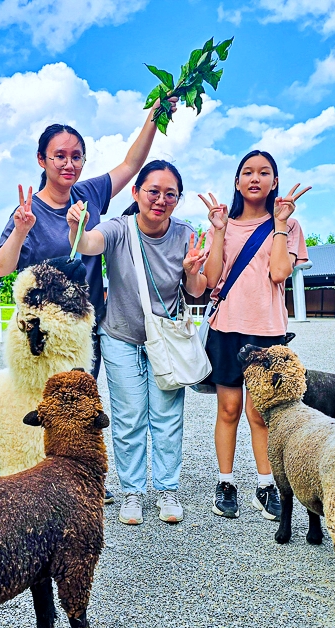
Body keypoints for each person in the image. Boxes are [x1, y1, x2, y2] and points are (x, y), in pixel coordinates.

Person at [67, 161, 209, 526]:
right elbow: (89, 243)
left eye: (170, 194)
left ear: (177, 199)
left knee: (167, 415)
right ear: (136, 193)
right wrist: (76, 228)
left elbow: (195, 291)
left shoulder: (185, 234)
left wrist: (193, 272)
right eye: (153, 191)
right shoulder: (118, 228)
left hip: (166, 338)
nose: (160, 200)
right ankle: (132, 491)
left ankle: (167, 489)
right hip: (120, 336)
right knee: (129, 416)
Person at [0, 99, 178, 378]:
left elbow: (131, 164)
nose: (69, 163)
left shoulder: (89, 193)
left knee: (82, 409)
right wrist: (21, 231)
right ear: (42, 159)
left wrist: (155, 115)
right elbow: (2, 268)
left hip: (87, 327)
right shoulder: (29, 212)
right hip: (44, 332)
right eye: (60, 156)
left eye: (77, 156)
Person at [200, 150, 310, 522]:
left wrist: (280, 224)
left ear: (275, 182)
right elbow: (212, 279)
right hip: (226, 329)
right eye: (247, 172)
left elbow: (280, 272)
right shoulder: (223, 224)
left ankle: (267, 485)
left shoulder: (290, 226)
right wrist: (217, 232)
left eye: (264, 173)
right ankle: (226, 481)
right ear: (237, 181)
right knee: (229, 409)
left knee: (261, 412)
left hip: (268, 330)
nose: (255, 178)